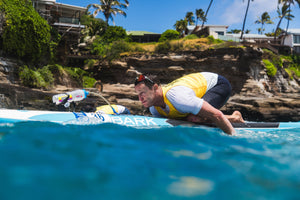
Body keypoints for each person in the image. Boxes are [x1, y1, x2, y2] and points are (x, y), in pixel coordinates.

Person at [134, 72, 244, 135]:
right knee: (187, 117)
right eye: (138, 94)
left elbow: (217, 115)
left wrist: (233, 138)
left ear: (155, 88)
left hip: (218, 85)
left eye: (142, 93)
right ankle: (231, 118)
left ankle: (235, 117)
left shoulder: (177, 97)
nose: (140, 98)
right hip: (190, 93)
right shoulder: (154, 108)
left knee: (194, 118)